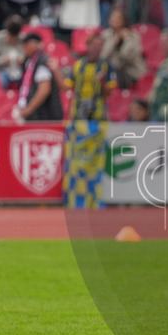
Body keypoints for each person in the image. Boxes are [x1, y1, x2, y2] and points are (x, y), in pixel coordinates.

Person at [64, 30, 111, 210]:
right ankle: (76, 202)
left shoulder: (106, 67)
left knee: (95, 165)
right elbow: (67, 86)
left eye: (100, 45)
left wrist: (103, 83)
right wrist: (55, 70)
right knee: (76, 165)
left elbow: (109, 93)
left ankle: (96, 202)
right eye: (95, 44)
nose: (97, 48)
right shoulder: (78, 66)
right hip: (79, 119)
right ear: (88, 46)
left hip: (98, 120)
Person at [13, 32, 63, 122]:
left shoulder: (43, 62)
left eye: (27, 44)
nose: (24, 47)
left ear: (37, 45)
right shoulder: (29, 62)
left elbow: (44, 90)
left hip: (45, 116)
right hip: (37, 116)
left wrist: (28, 110)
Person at [100, 8, 146, 89]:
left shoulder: (133, 35)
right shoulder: (106, 35)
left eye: (117, 18)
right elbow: (102, 56)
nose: (114, 19)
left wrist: (127, 40)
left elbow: (127, 57)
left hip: (131, 72)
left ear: (124, 20)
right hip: (111, 71)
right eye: (112, 17)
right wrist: (114, 42)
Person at [0, 15, 25, 88]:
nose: (13, 40)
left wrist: (23, 61)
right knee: (1, 80)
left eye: (15, 38)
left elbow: (31, 59)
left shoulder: (23, 39)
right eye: (11, 37)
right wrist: (3, 60)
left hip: (20, 72)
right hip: (2, 71)